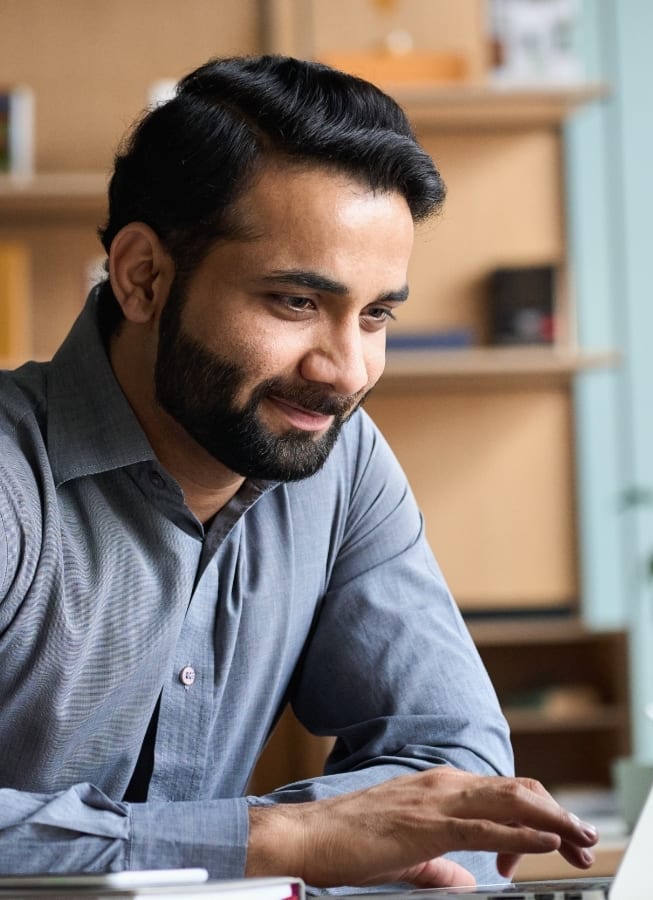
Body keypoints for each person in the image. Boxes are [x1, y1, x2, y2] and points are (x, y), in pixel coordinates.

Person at [0, 54, 598, 887]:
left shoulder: (340, 464)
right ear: (143, 278)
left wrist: (341, 840)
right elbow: (323, 837)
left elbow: (455, 764)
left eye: (377, 314)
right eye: (295, 303)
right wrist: (278, 841)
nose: (346, 371)